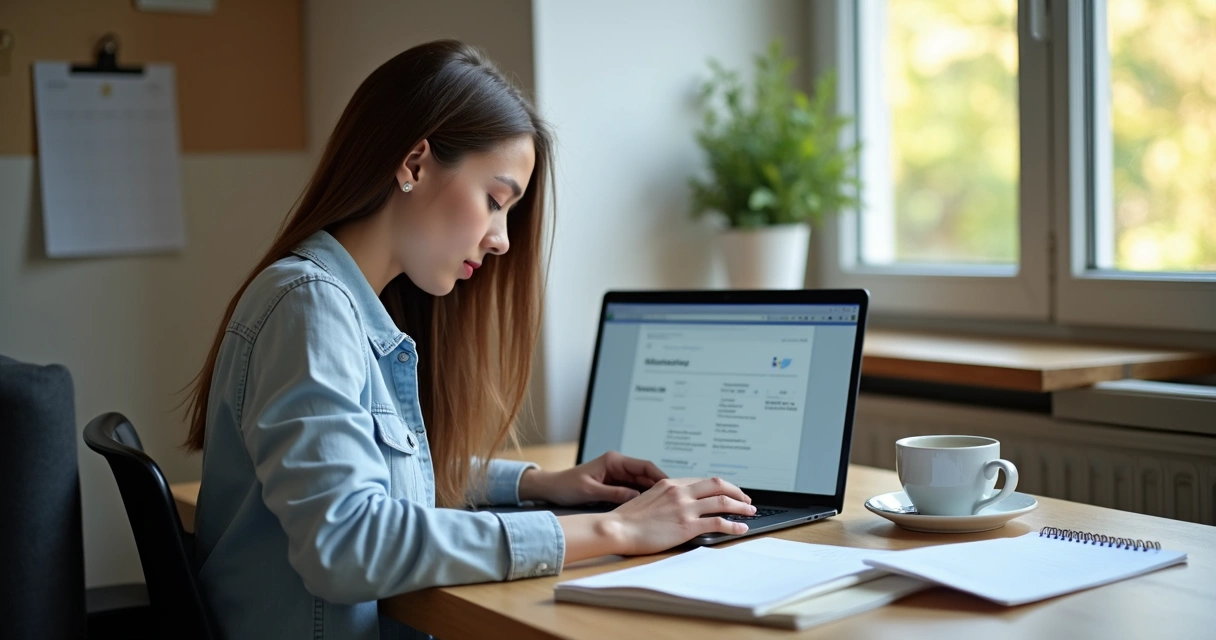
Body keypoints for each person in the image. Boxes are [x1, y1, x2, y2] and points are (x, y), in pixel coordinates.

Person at [184, 40, 755, 640]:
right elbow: (348, 542)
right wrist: (616, 529)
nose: (502, 239)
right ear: (414, 164)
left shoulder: (342, 303)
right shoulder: (310, 307)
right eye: (494, 201)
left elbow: (379, 469)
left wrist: (539, 484)